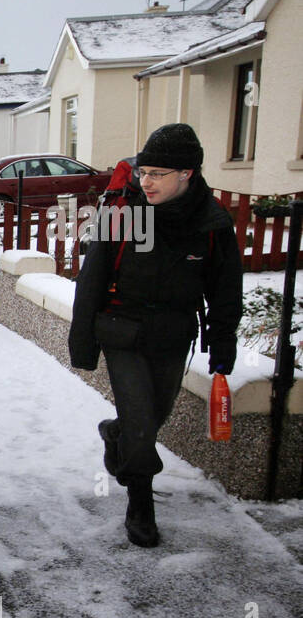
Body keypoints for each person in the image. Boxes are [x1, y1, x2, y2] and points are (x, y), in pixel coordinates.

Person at [69, 123, 243, 547]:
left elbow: (225, 289)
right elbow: (91, 278)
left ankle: (115, 434)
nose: (145, 181)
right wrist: (82, 340)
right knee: (143, 426)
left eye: (157, 174)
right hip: (121, 331)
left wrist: (223, 344)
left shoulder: (213, 222)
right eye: (143, 172)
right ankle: (141, 503)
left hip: (173, 334)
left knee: (153, 418)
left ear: (187, 174)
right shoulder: (122, 213)